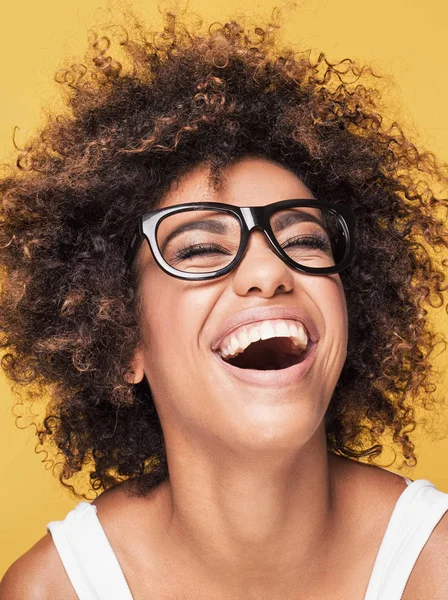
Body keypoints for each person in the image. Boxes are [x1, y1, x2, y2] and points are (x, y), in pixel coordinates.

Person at [0, 5, 448, 599]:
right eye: (200, 250)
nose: (268, 271)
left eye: (304, 240)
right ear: (120, 337)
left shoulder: (436, 565)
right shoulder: (53, 590)